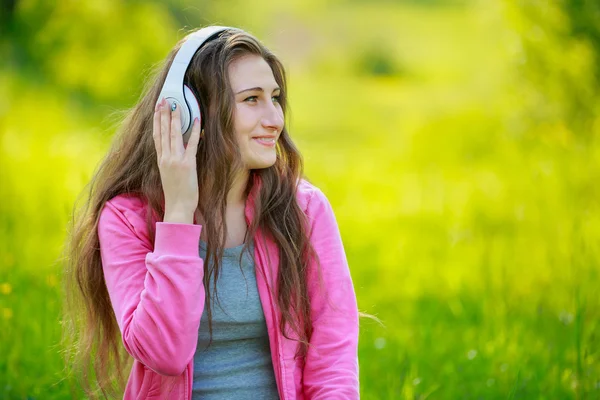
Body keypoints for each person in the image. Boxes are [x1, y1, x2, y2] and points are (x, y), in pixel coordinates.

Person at [62, 26, 363, 399]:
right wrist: (178, 214)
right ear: (189, 113)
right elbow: (164, 355)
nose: (275, 119)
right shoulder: (126, 218)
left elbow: (333, 354)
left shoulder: (305, 209)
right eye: (252, 100)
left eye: (275, 98)